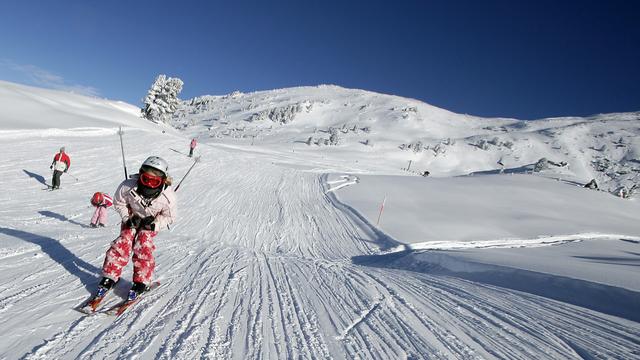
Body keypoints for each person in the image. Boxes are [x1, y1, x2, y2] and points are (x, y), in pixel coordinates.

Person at [95, 156, 176, 301]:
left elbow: (169, 217)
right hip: (132, 218)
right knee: (123, 242)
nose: (150, 185)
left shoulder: (167, 196)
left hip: (149, 223)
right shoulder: (128, 186)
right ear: (140, 175)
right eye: (146, 179)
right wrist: (127, 218)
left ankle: (141, 281)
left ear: (163, 181)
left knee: (143, 245)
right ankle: (110, 275)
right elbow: (118, 202)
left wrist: (154, 224)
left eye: (155, 181)